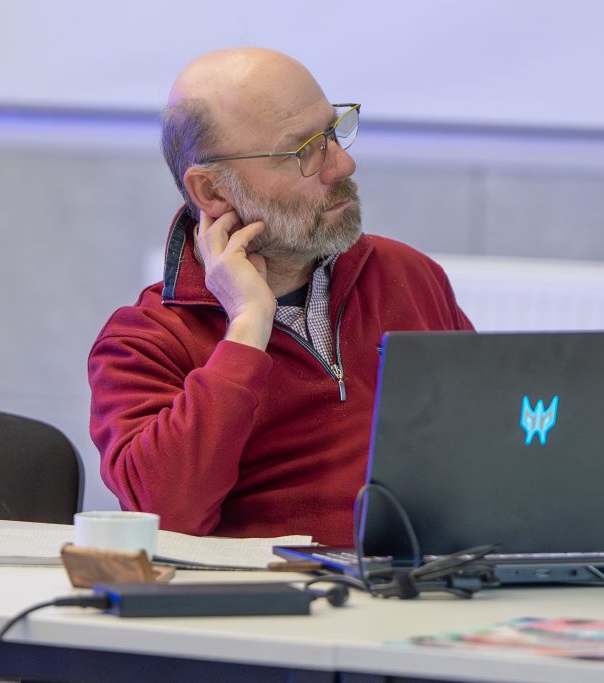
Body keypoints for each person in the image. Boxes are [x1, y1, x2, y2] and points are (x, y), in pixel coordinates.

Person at [88, 48, 473, 545]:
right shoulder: (144, 341)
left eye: (332, 133)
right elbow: (168, 522)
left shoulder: (407, 275)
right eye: (303, 152)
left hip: (417, 579)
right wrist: (247, 326)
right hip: (269, 589)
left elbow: (483, 447)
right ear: (211, 192)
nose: (342, 164)